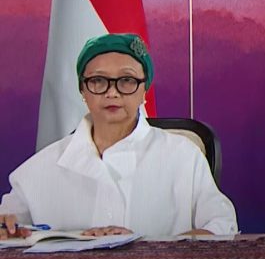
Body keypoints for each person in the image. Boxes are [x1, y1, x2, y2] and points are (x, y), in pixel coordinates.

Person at [0, 33, 238, 239]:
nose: (112, 92)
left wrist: (155, 249)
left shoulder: (184, 157)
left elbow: (222, 226)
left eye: (127, 81)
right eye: (98, 81)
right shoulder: (39, 170)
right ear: (82, 90)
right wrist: (7, 231)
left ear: (144, 90)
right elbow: (8, 225)